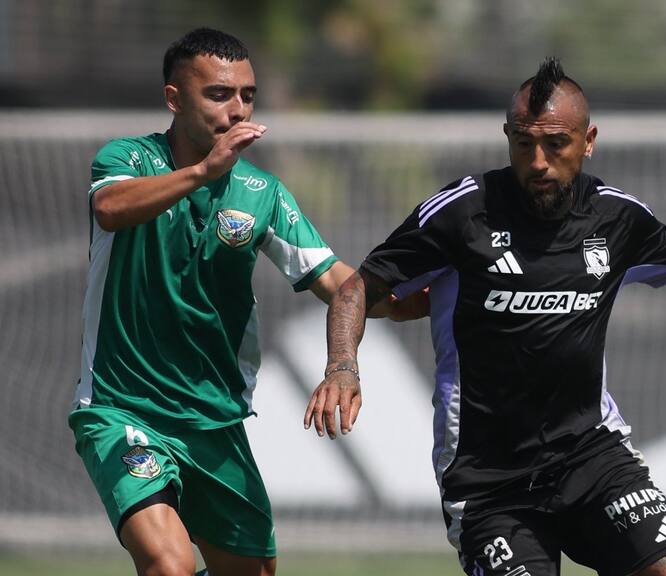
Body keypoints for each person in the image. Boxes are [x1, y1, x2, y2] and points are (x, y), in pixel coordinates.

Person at [305, 57, 666, 576]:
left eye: (556, 144)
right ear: (507, 138)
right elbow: (358, 287)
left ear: (588, 141)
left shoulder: (617, 218)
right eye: (524, 144)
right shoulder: (461, 213)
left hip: (591, 455)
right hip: (489, 480)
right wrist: (342, 366)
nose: (539, 161)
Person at [69, 28, 424, 576]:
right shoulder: (129, 159)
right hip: (123, 408)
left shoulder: (263, 194)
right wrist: (202, 173)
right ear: (174, 99)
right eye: (219, 94)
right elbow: (111, 209)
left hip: (215, 422)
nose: (238, 110)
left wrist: (407, 302)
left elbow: (339, 284)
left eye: (248, 95)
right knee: (168, 566)